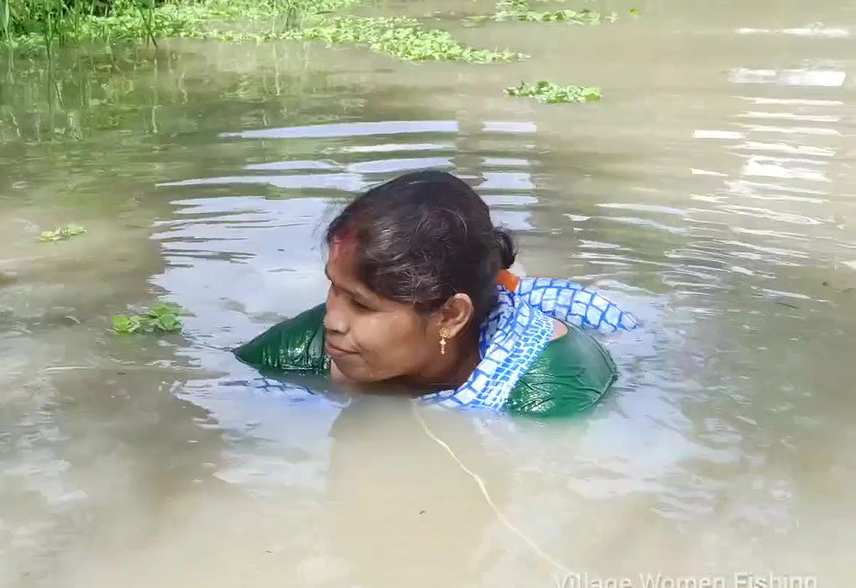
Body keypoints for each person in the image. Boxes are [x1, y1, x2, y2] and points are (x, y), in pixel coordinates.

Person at [233, 170, 636, 416]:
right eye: (334, 288)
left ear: (449, 316)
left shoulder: (545, 390)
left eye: (360, 304)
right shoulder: (318, 343)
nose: (332, 320)